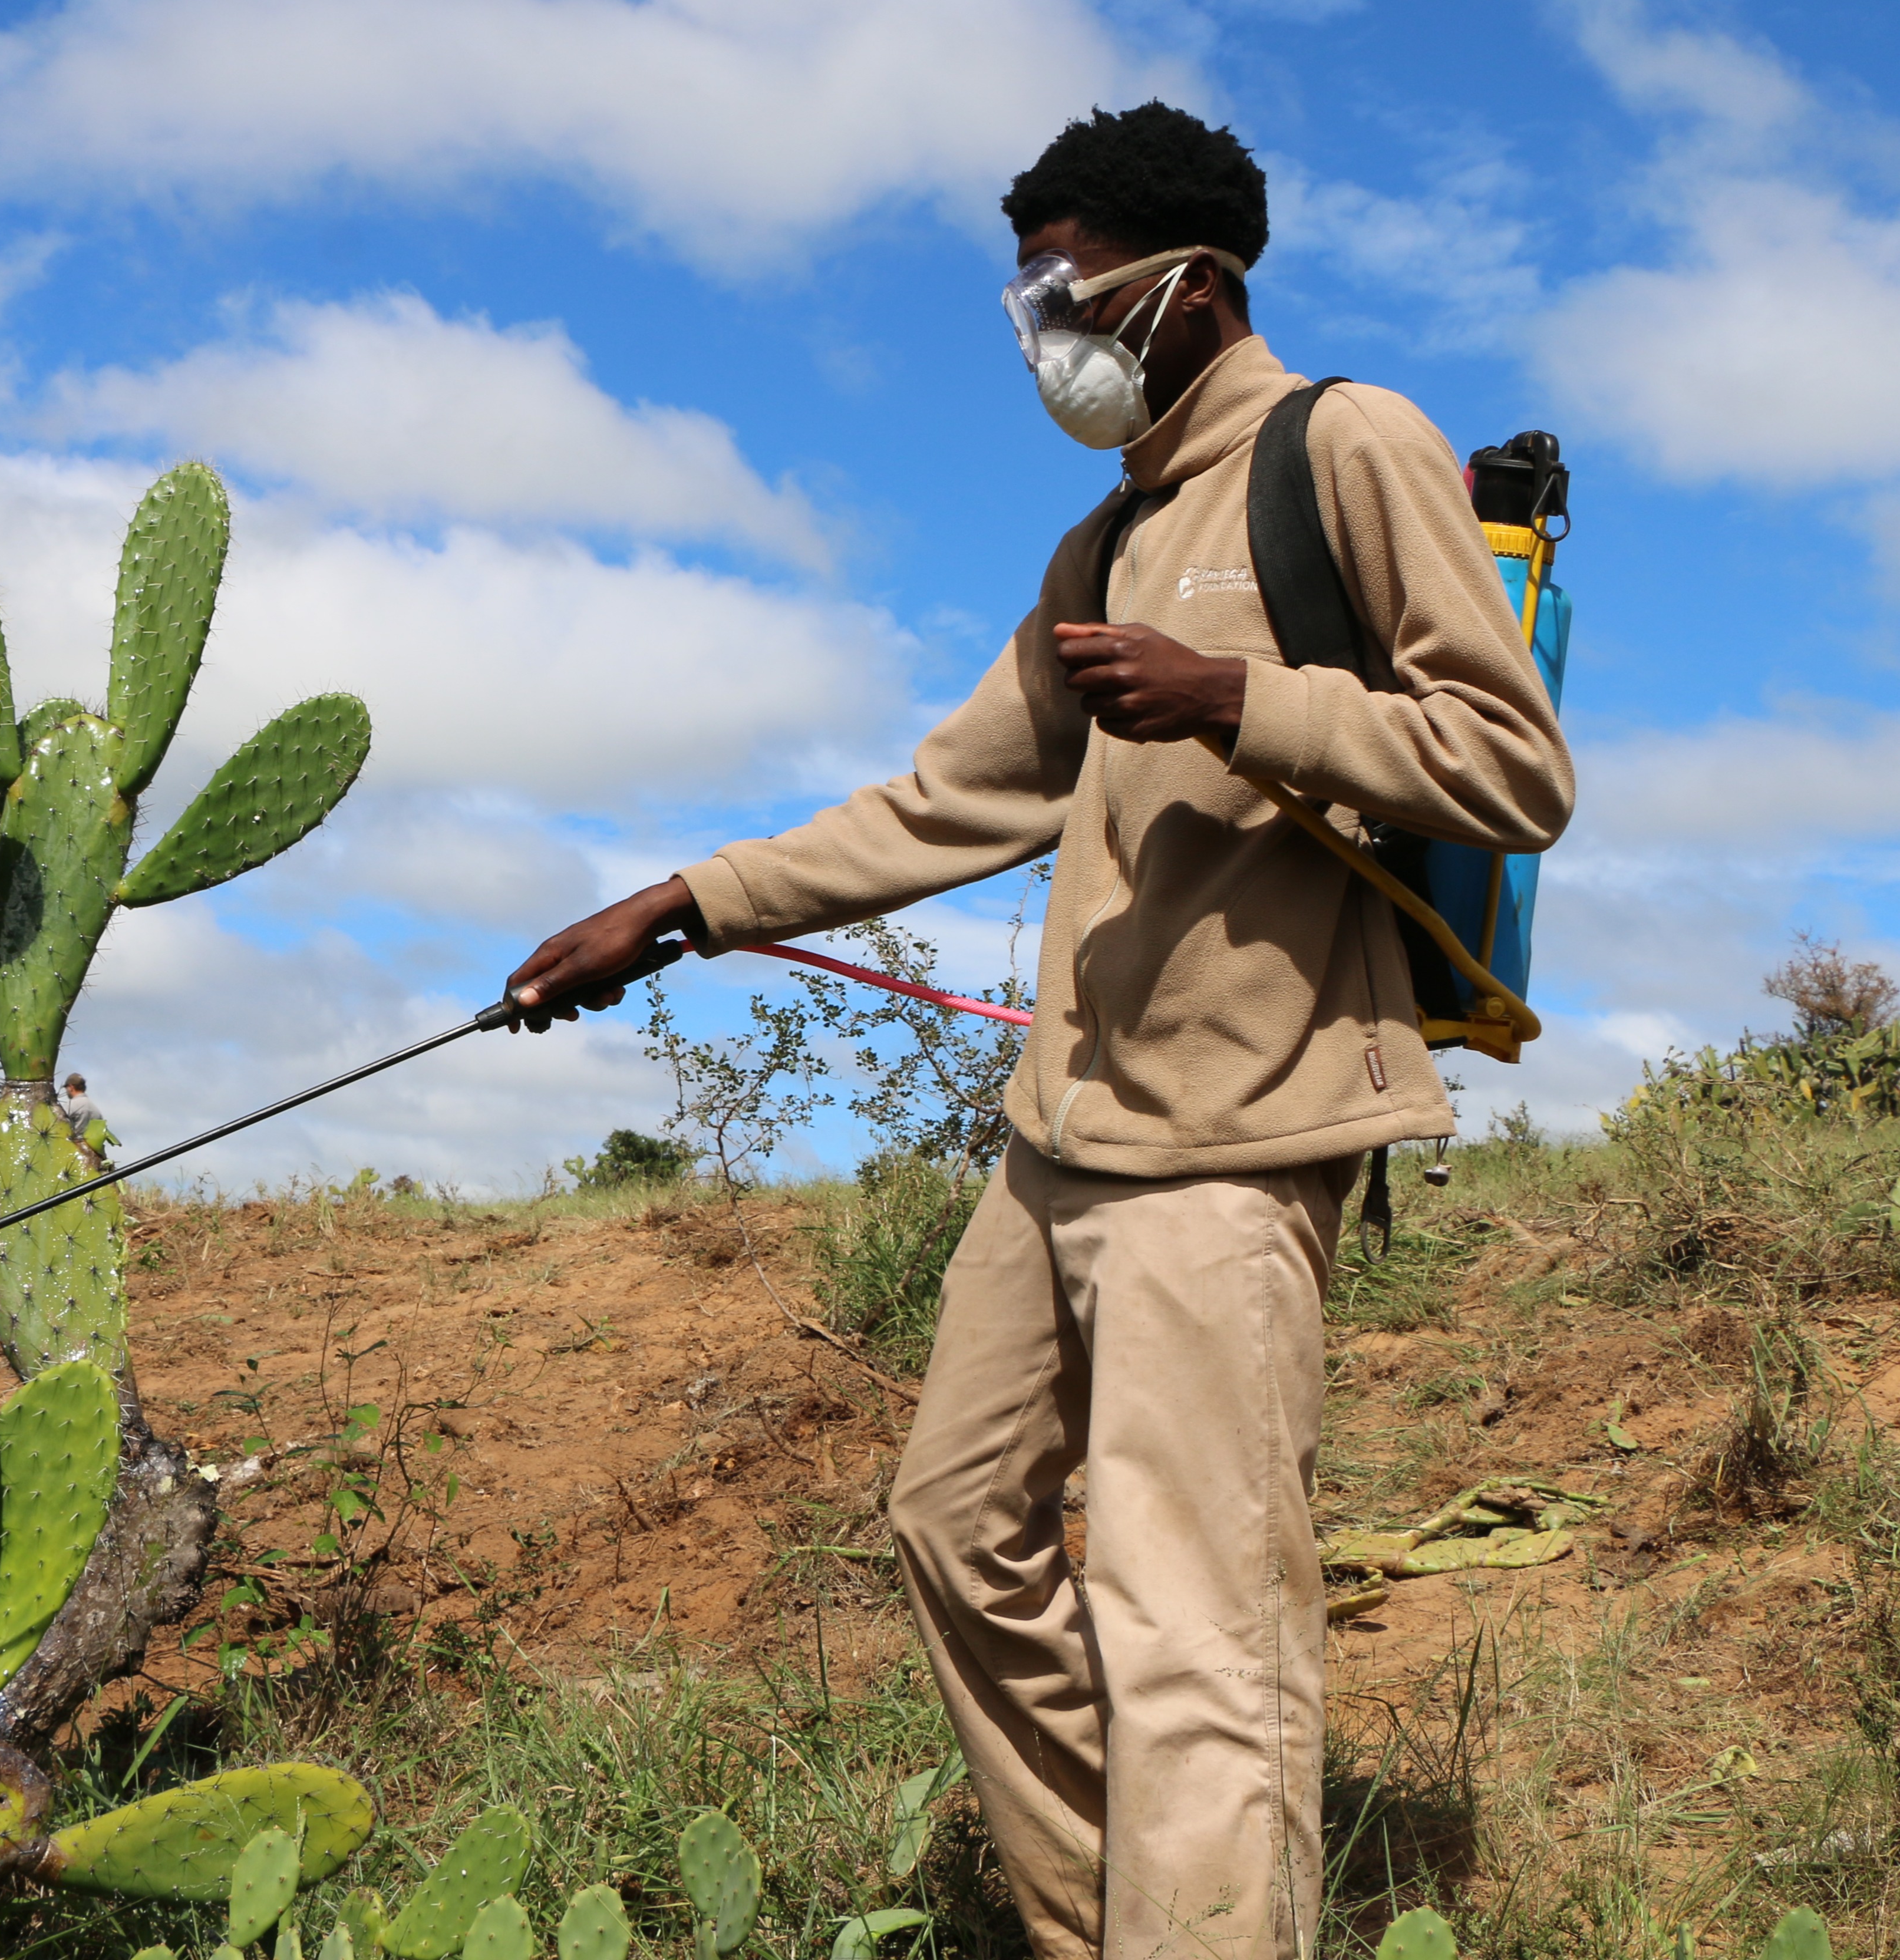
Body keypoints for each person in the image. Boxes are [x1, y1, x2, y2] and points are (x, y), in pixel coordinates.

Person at [502, 103, 1572, 1959]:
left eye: (1068, 290)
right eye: (1028, 296)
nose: (1042, 331)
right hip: (1059, 1137)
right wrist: (679, 905)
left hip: (1233, 1142)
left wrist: (1236, 696)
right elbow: (949, 799)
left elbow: (1510, 768)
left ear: (1191, 285)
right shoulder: (1108, 536)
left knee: (1191, 1616)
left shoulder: (1345, 446)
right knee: (954, 1528)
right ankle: (1116, 1923)